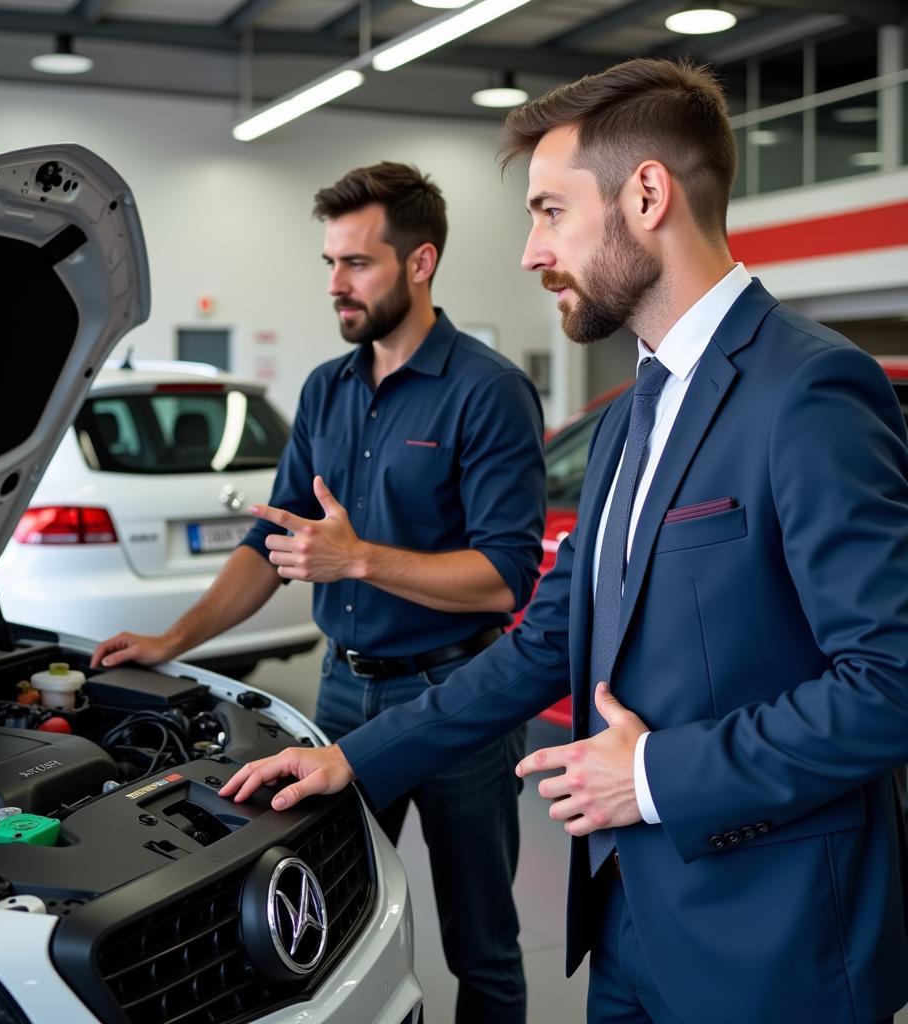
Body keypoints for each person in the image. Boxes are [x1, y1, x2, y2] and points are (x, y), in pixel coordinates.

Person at [219, 59, 908, 1024]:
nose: (531, 251)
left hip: (769, 941)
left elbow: (890, 681)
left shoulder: (810, 391)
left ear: (648, 194)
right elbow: (547, 638)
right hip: (624, 921)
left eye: (549, 211)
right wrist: (358, 758)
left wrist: (656, 776)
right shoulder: (630, 417)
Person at [92, 162, 546, 1024]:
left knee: (479, 941)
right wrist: (169, 641)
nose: (336, 284)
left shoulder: (487, 392)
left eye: (358, 263)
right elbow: (274, 543)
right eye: (330, 262)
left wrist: (360, 561)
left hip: (455, 698)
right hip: (342, 692)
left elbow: (505, 575)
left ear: (420, 263)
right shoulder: (325, 389)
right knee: (320, 917)